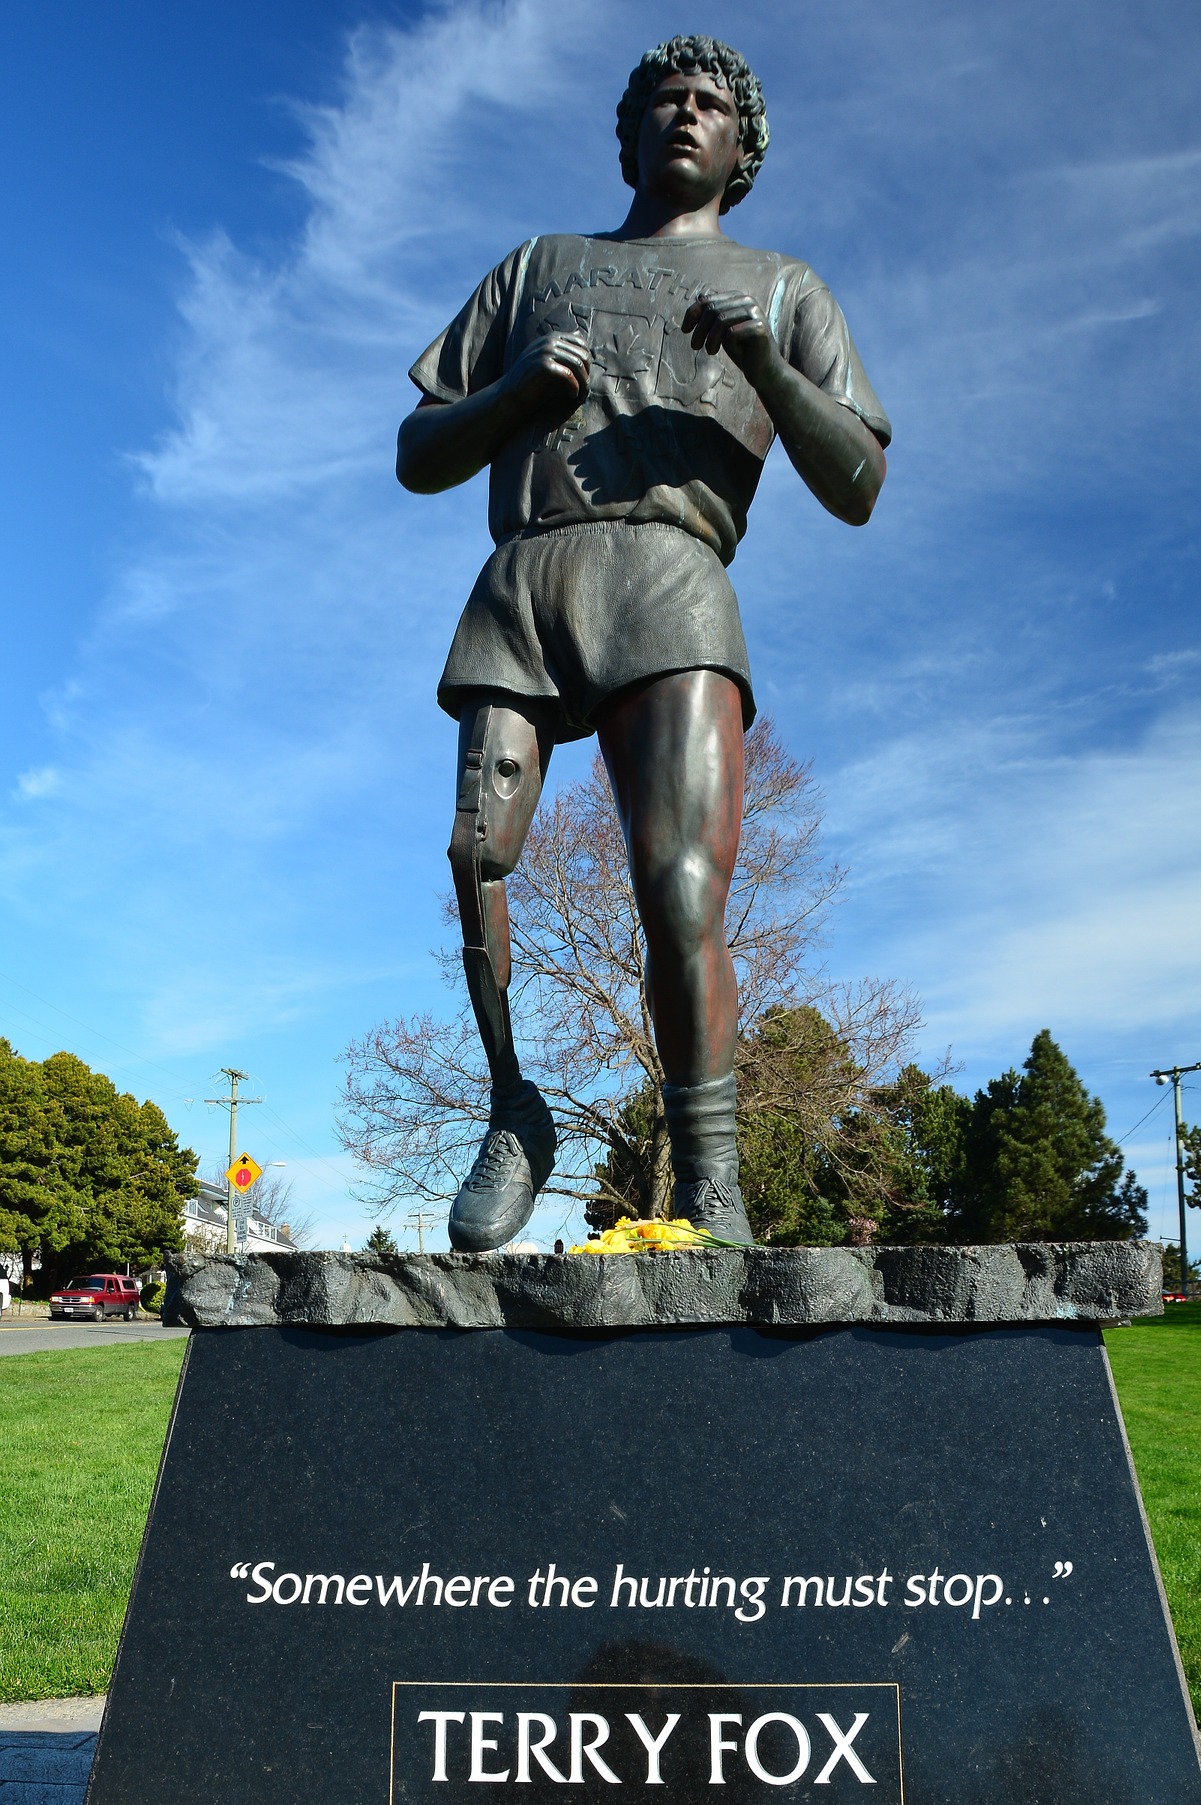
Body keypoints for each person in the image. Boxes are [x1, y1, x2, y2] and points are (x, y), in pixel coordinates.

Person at [397, 35, 889, 1253]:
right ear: (628, 133)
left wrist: (768, 361)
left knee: (679, 890)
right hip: (527, 576)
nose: (686, 112)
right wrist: (516, 400)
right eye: (665, 97)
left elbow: (861, 479)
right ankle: (517, 1110)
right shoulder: (540, 267)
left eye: (712, 102)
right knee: (477, 858)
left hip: (674, 582)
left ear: (743, 147)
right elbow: (417, 452)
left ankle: (710, 1171)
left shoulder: (784, 286)